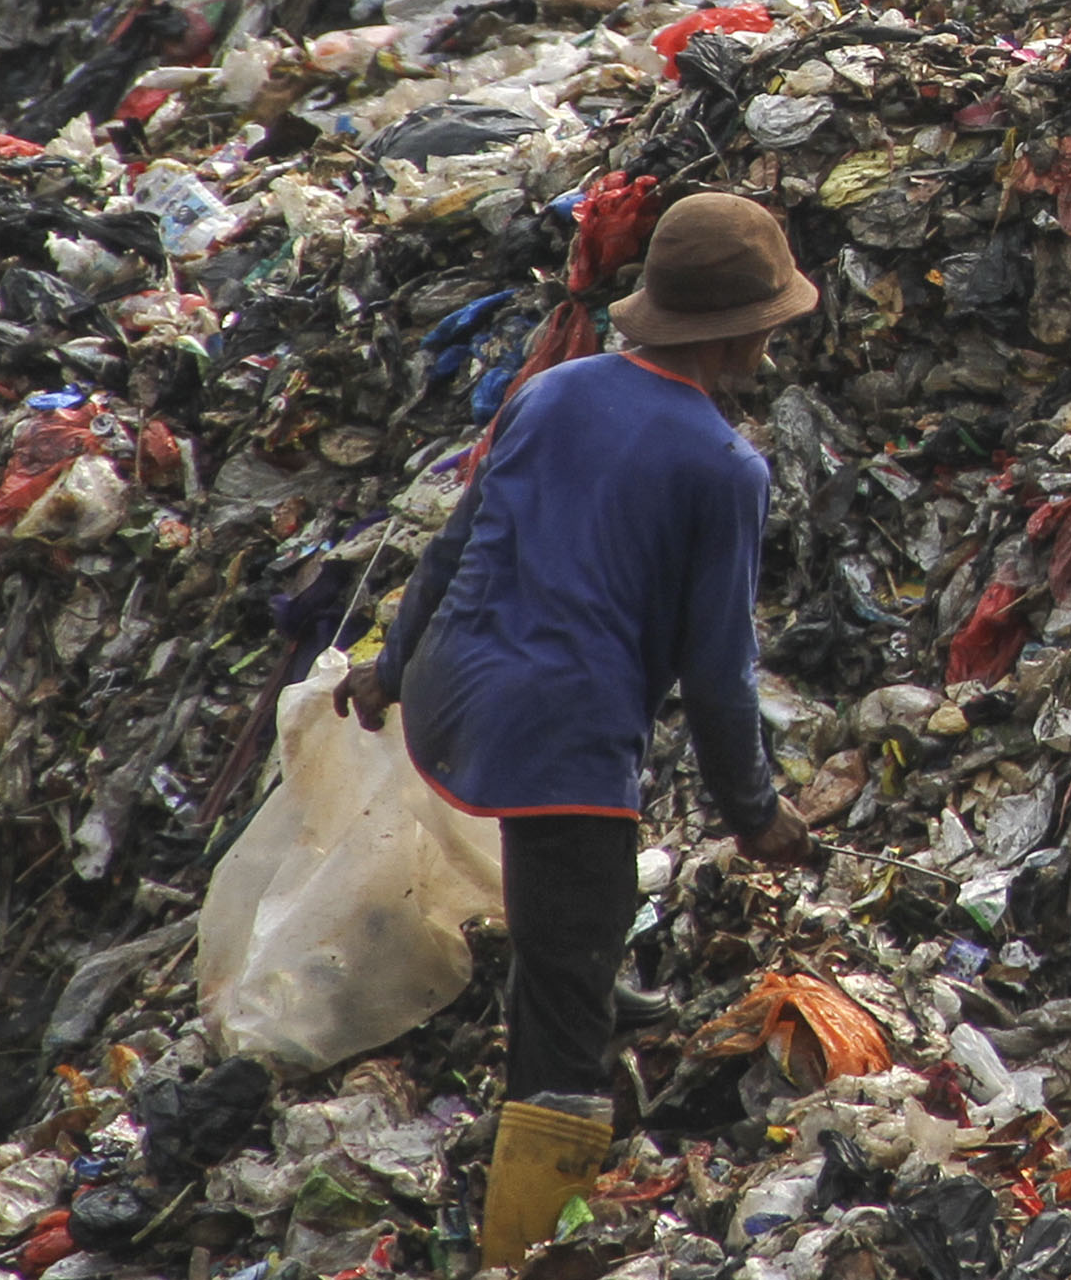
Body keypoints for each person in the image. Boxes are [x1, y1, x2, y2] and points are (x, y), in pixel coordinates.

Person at [336, 192, 819, 1266]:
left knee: (572, 923)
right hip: (564, 734)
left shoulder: (551, 393)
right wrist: (756, 809)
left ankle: (602, 995)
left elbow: (456, 539)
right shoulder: (723, 465)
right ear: (743, 330)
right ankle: (521, 1245)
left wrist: (392, 666)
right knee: (559, 1017)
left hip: (462, 688)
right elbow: (718, 670)